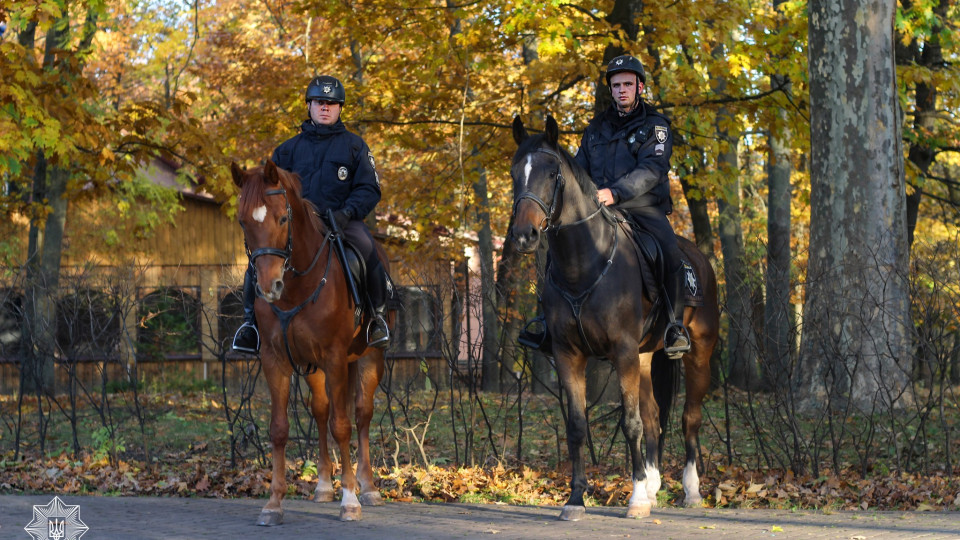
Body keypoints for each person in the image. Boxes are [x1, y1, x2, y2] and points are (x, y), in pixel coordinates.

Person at [518, 54, 690, 359]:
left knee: (670, 252)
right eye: (616, 85)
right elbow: (579, 169)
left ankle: (674, 327)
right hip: (599, 207)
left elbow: (653, 169)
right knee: (556, 251)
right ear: (610, 90)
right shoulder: (595, 128)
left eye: (627, 84)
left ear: (639, 86)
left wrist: (616, 192)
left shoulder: (656, 126)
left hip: (643, 207)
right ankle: (548, 323)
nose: (622, 89)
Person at [233, 75, 391, 352]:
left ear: (340, 108)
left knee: (369, 250)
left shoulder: (355, 147)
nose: (325, 108)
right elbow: (270, 192)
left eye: (331, 103)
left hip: (342, 221)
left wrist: (348, 212)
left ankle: (377, 319)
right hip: (296, 227)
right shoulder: (287, 150)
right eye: (320, 102)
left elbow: (369, 188)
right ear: (309, 106)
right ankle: (249, 325)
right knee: (258, 259)